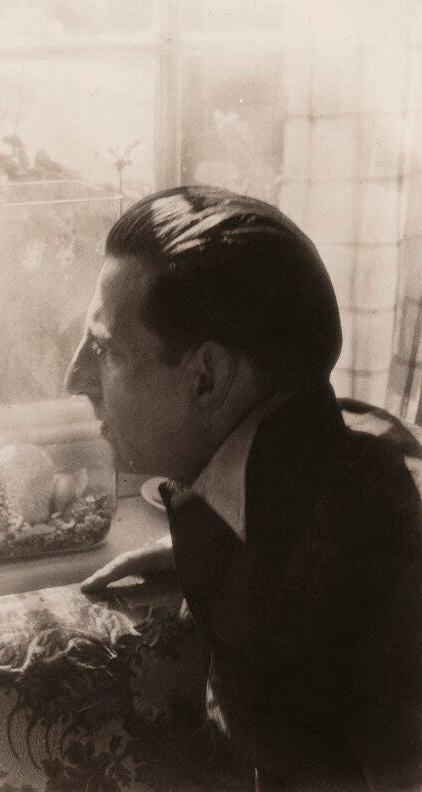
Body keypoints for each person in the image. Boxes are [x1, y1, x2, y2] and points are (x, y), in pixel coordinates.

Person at [64, 186, 422, 792]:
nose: (75, 379)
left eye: (104, 350)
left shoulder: (367, 554)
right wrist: (217, 544)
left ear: (206, 378)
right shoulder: (296, 464)